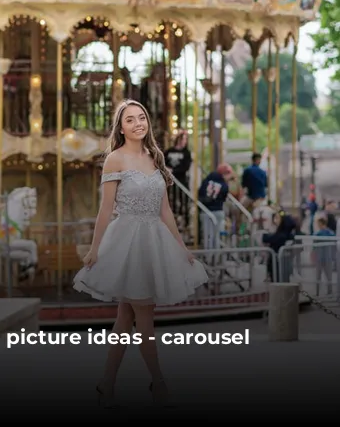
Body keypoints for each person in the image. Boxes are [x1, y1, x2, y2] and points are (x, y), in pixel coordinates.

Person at [73, 100, 207, 408]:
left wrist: (182, 248)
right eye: (130, 120)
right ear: (121, 128)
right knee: (144, 315)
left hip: (153, 240)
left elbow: (165, 211)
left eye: (142, 117)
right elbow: (105, 209)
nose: (138, 123)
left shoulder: (154, 157)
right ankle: (158, 380)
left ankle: (106, 383)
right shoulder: (115, 160)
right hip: (126, 241)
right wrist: (95, 249)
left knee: (126, 317)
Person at [197, 164, 232, 249]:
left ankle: (207, 257)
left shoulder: (206, 181)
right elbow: (224, 197)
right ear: (223, 174)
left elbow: (200, 193)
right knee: (216, 236)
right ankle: (215, 258)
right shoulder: (224, 185)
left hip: (205, 211)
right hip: (218, 211)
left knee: (207, 236)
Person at [164, 130, 192, 227]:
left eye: (186, 139)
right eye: (183, 139)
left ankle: (185, 222)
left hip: (181, 180)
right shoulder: (169, 151)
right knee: (170, 200)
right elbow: (163, 162)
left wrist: (174, 170)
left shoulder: (186, 153)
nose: (184, 141)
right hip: (170, 181)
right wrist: (167, 169)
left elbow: (186, 167)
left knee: (183, 200)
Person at [313, 216, 335, 295]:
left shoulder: (318, 234)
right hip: (326, 258)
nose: (318, 225)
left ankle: (318, 292)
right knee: (328, 277)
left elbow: (314, 247)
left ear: (322, 224)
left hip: (322, 258)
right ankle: (329, 292)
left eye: (318, 224)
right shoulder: (331, 233)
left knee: (319, 277)